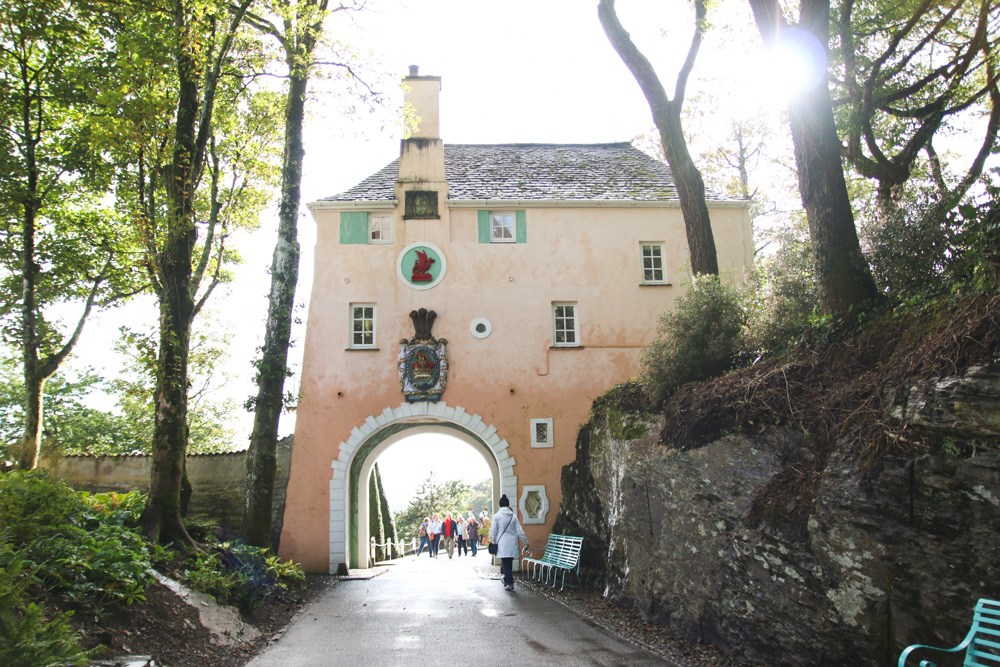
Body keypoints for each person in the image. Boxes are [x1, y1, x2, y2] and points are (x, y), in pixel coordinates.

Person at [489, 494, 529, 591]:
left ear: (500, 505)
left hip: (502, 543)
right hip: (512, 543)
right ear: (508, 505)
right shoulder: (513, 517)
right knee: (508, 563)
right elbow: (520, 531)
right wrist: (526, 542)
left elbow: (493, 531)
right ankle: (507, 579)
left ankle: (509, 582)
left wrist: (495, 540)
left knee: (506, 563)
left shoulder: (496, 516)